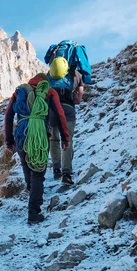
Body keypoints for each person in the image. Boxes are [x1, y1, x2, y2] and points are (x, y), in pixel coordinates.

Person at [4, 66, 70, 224]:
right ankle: (34, 213)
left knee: (26, 164)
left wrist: (9, 140)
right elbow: (60, 114)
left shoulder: (19, 91)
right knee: (38, 172)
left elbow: (8, 116)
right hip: (40, 133)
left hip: (21, 133)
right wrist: (65, 138)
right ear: (45, 82)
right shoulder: (49, 92)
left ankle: (31, 189)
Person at [43, 41, 95, 185]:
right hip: (68, 110)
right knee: (67, 140)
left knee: (54, 139)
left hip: (52, 111)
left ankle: (56, 169)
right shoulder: (76, 74)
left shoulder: (49, 75)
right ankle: (66, 173)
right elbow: (78, 99)